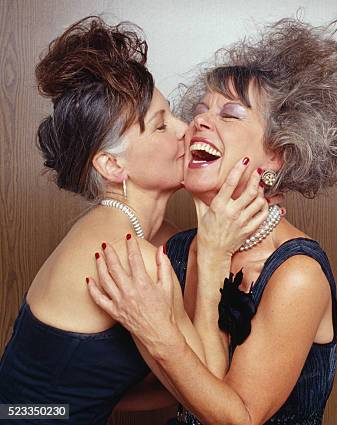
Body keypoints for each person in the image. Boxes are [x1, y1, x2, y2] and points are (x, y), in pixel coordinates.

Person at [88, 18, 337, 425]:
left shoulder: (296, 275)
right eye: (200, 111)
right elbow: (185, 383)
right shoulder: (178, 249)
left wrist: (154, 328)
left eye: (231, 114)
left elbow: (237, 417)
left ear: (278, 155)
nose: (200, 122)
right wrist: (59, 399)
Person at [0, 16, 269, 424]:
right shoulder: (131, 257)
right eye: (161, 125)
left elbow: (88, 386)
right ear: (112, 164)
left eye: (175, 114)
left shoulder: (123, 232)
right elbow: (211, 399)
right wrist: (214, 254)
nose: (186, 128)